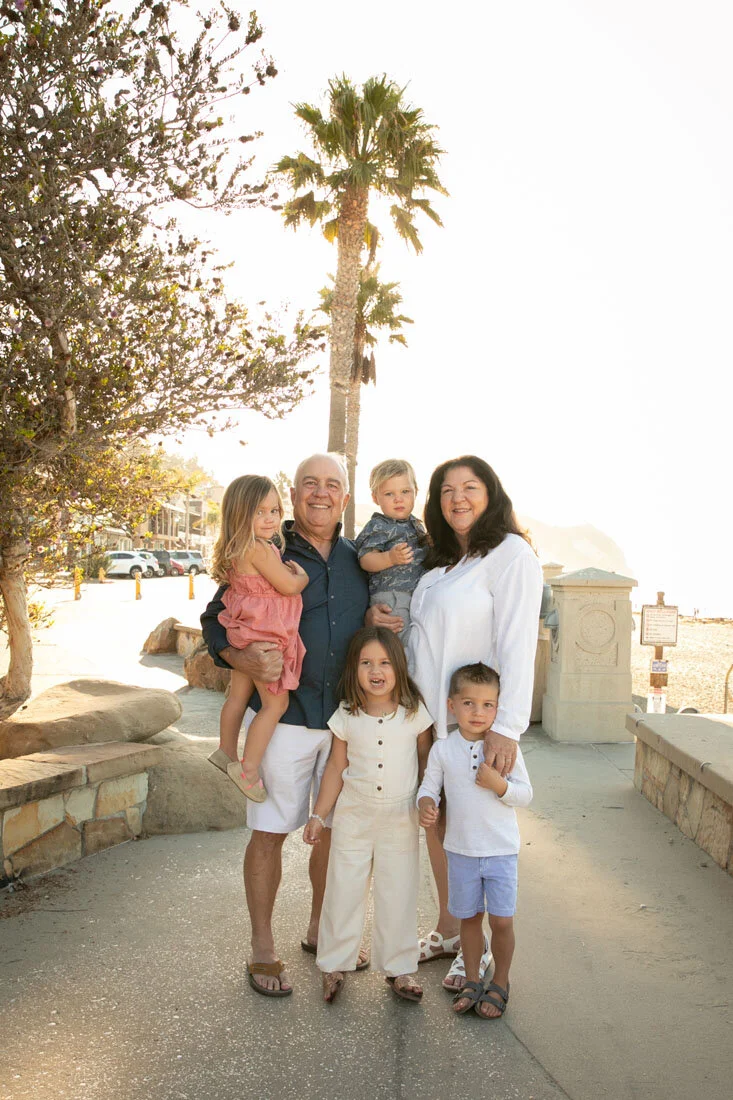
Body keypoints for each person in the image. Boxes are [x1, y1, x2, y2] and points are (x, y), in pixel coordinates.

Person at [200, 454, 370, 997]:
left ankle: (321, 931)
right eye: (310, 484)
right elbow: (213, 619)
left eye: (333, 485)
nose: (321, 494)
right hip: (286, 719)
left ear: (345, 497)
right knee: (269, 832)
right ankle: (262, 948)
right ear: (293, 495)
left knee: (334, 835)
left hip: (346, 720)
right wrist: (239, 658)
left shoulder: (359, 558)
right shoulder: (268, 547)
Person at [399, 455, 543, 992]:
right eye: (446, 491)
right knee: (438, 826)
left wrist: (507, 727)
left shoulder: (510, 555)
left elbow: (517, 644)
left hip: (478, 729)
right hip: (432, 723)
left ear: (491, 494)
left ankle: (476, 952)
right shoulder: (438, 566)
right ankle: (450, 928)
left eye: (470, 487)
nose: (457, 498)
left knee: (480, 839)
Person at [303, 626, 433, 1004]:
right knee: (343, 888)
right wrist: (318, 815)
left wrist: (429, 800)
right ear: (354, 669)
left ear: (399, 667)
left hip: (400, 816)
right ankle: (333, 964)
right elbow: (334, 768)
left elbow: (426, 760)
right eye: (366, 663)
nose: (376, 671)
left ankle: (400, 968)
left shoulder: (414, 713)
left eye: (385, 662)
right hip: (353, 816)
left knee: (398, 890)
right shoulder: (346, 714)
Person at [417, 663, 532, 1019]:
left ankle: (500, 981)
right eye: (468, 703)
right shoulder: (443, 749)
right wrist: (425, 805)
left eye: (488, 705)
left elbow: (525, 794)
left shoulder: (505, 749)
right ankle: (471, 979)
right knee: (469, 919)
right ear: (451, 705)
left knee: (501, 922)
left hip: (500, 851)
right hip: (461, 851)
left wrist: (500, 786)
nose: (478, 713)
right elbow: (428, 787)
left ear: (498, 708)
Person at [207, 475, 308, 802]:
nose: (271, 519)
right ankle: (248, 769)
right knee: (276, 703)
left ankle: (225, 751)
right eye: (260, 512)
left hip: (243, 631)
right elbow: (289, 586)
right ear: (240, 514)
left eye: (274, 511)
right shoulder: (261, 549)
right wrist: (301, 576)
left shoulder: (237, 549)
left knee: (237, 697)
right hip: (265, 637)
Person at [353, 459, 427, 643]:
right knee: (398, 645)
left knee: (416, 644)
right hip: (392, 598)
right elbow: (366, 559)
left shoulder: (416, 525)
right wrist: (389, 558)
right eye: (389, 494)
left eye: (405, 491)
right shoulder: (378, 525)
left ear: (415, 492)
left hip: (417, 596)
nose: (398, 499)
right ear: (375, 498)